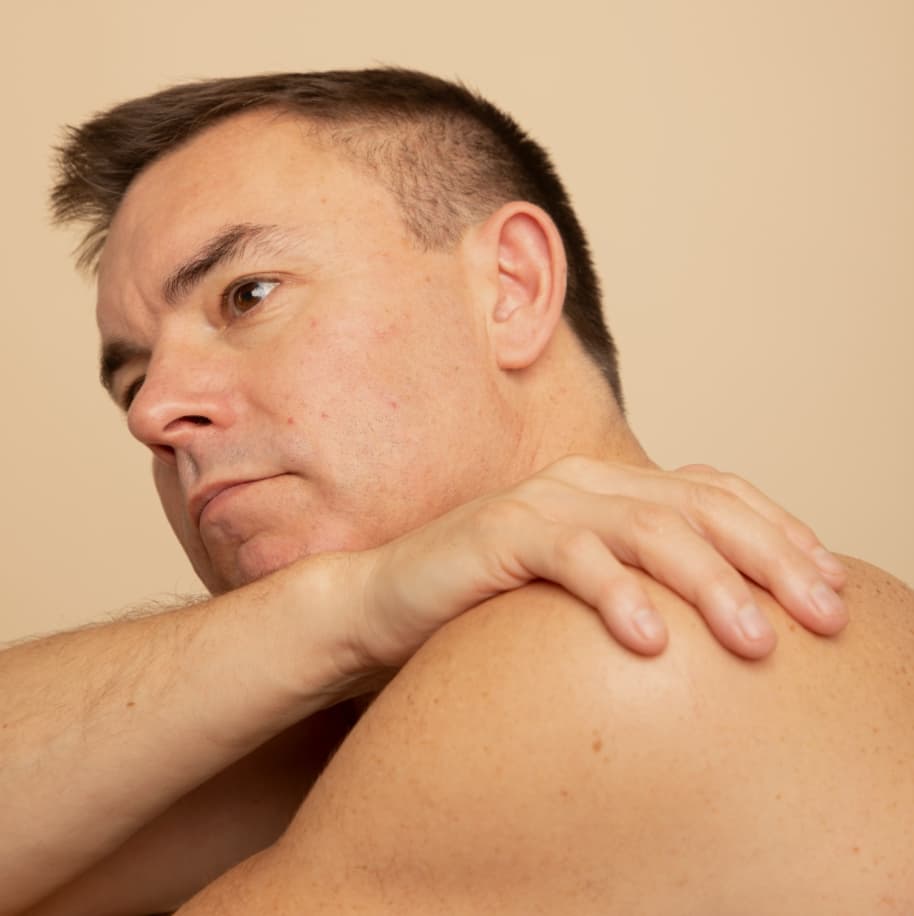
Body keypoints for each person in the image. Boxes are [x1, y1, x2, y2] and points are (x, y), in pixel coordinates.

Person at [9, 68, 909, 913]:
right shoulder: (347, 710)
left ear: (512, 287)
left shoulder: (602, 650)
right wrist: (346, 607)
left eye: (246, 295)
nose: (155, 412)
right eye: (132, 382)